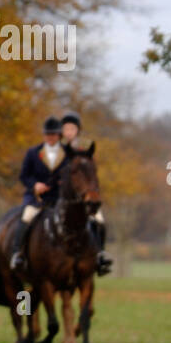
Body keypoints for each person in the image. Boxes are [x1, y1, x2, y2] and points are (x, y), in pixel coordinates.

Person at [8, 116, 64, 274]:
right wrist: (35, 185)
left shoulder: (67, 154)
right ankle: (17, 253)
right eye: (47, 134)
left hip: (59, 199)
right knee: (26, 217)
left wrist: (61, 184)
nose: (50, 137)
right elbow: (24, 176)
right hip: (37, 199)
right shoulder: (33, 153)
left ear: (58, 135)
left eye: (52, 134)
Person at [60, 110, 113, 276]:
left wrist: (90, 193)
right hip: (59, 196)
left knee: (100, 221)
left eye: (72, 129)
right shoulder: (56, 149)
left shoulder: (84, 149)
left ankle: (100, 256)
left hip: (82, 199)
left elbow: (91, 175)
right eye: (66, 128)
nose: (69, 132)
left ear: (78, 130)